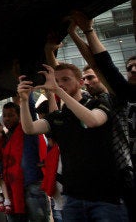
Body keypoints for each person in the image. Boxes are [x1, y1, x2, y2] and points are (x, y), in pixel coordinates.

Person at [18, 63, 128, 221]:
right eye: (56, 80)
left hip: (106, 198)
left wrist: (57, 90)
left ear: (81, 82)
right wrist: (23, 101)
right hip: (73, 199)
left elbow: (92, 121)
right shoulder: (59, 116)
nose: (60, 83)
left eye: (65, 79)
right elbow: (29, 129)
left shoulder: (97, 104)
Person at [69, 10, 135, 220]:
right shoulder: (108, 99)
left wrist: (86, 30)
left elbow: (102, 66)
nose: (132, 70)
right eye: (129, 68)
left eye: (91, 78)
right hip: (120, 179)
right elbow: (99, 64)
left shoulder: (117, 98)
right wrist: (76, 31)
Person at [0, 102, 50, 222]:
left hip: (31, 185)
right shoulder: (4, 138)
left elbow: (30, 110)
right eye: (4, 115)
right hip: (12, 189)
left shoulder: (28, 131)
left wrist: (25, 95)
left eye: (11, 115)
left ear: (20, 116)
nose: (7, 118)